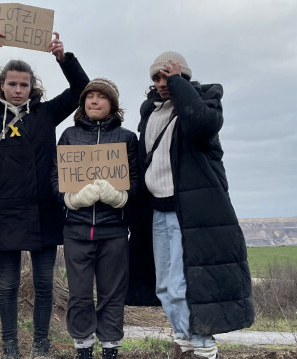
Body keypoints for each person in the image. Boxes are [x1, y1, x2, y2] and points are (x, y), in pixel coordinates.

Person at [0, 25, 89, 359]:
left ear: (32, 87)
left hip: (45, 210)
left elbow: (82, 89)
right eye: (12, 84)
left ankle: (40, 345)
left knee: (45, 285)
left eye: (23, 85)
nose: (17, 89)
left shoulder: (47, 113)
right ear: (2, 85)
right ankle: (10, 347)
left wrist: (62, 57)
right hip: (6, 210)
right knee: (9, 285)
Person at [131, 51, 254, 359]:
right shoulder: (151, 112)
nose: (161, 83)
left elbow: (201, 125)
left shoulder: (206, 99)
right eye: (157, 77)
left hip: (192, 212)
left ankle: (202, 346)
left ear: (184, 76)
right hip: (157, 210)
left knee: (186, 285)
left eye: (167, 76)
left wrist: (177, 83)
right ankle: (185, 338)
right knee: (165, 286)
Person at [51, 78, 138, 359]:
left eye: (101, 97)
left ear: (112, 104)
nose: (94, 101)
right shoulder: (68, 136)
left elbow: (136, 181)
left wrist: (120, 197)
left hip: (113, 230)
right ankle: (83, 347)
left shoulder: (126, 138)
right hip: (76, 230)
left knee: (112, 293)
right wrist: (70, 199)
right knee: (79, 294)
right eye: (90, 96)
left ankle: (110, 346)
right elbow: (55, 179)